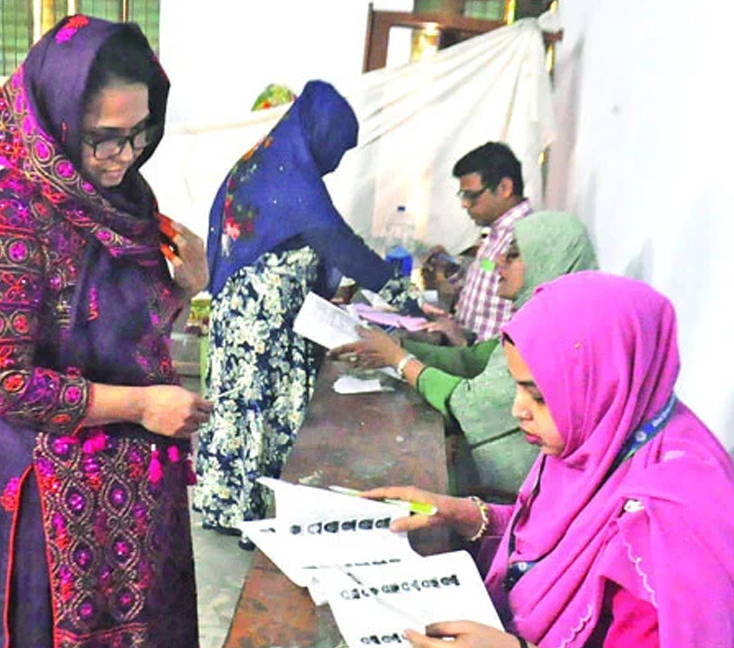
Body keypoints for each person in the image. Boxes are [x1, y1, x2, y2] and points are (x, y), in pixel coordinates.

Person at [0, 15, 211, 646]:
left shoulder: (126, 201)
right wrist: (142, 404)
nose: (126, 156)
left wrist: (187, 283)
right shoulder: (7, 218)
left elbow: (118, 328)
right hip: (56, 501)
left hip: (140, 487)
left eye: (139, 133)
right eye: (105, 138)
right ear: (58, 122)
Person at [362, 272, 734, 647]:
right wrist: (468, 515)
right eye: (518, 389)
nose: (518, 410)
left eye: (539, 395)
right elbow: (556, 541)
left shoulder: (671, 528)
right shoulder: (606, 436)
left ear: (606, 380)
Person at [195, 80, 420, 545]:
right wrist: (406, 300)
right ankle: (255, 521)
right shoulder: (292, 179)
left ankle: (231, 506)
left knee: (239, 410)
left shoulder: (266, 161)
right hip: (264, 326)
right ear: (320, 134)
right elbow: (341, 244)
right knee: (263, 410)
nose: (335, 161)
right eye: (336, 147)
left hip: (242, 318)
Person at [332, 212, 597, 497]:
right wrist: (397, 345)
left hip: (509, 492)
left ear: (548, 260)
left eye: (513, 256)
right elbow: (472, 359)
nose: (498, 263)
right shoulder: (531, 316)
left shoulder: (551, 333)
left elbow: (471, 403)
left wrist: (398, 360)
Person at [422, 141, 532, 344]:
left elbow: (519, 334)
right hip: (463, 345)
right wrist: (450, 268)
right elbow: (488, 268)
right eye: (463, 196)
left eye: (472, 196)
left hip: (482, 362)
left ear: (504, 188)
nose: (464, 204)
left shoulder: (526, 239)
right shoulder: (496, 232)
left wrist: (463, 342)